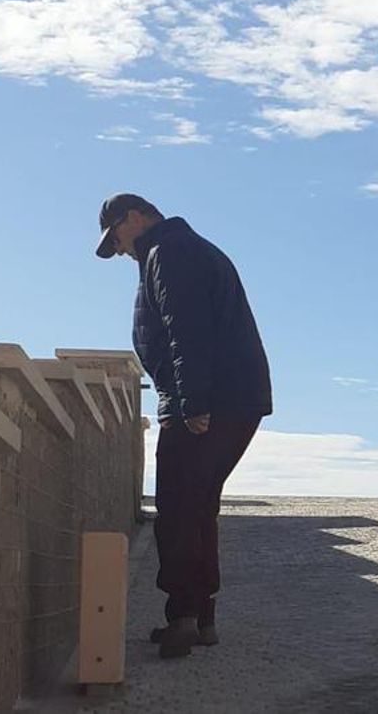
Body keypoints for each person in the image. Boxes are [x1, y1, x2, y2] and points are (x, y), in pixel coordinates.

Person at [95, 193, 273, 659]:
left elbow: (186, 329)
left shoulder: (169, 251)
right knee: (196, 507)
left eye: (116, 237)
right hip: (230, 398)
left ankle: (184, 618)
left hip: (206, 401)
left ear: (135, 217)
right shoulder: (180, 249)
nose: (119, 250)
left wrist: (191, 402)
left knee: (177, 508)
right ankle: (201, 618)